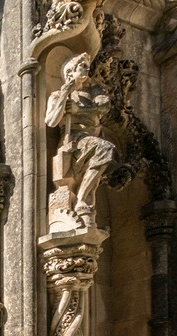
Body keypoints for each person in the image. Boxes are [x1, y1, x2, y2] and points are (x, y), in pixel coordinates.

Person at [44, 52, 116, 225]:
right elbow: (51, 121)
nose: (86, 69)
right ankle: (82, 199)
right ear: (71, 71)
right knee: (105, 149)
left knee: (99, 165)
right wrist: (64, 95)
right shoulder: (58, 95)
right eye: (82, 66)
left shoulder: (94, 91)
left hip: (92, 137)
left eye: (87, 66)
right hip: (74, 140)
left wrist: (79, 110)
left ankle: (84, 201)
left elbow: (104, 107)